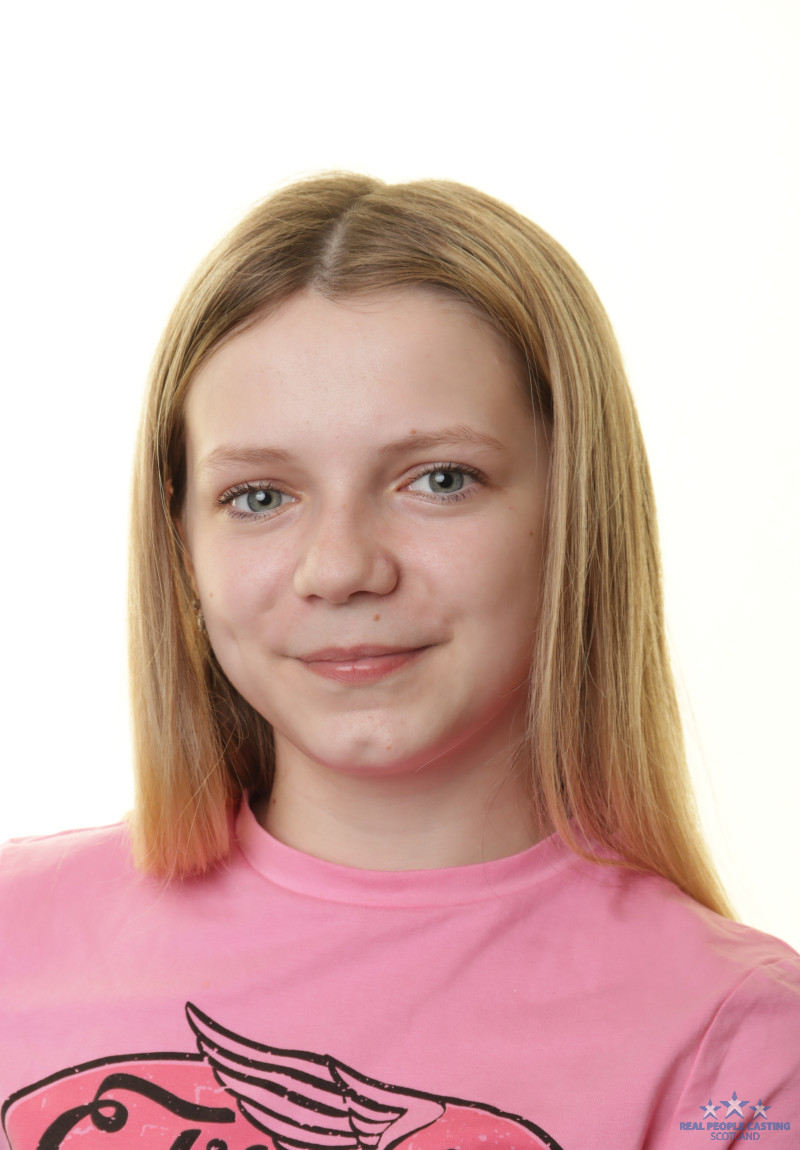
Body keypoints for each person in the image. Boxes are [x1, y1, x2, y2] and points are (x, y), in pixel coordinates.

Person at [0, 174, 797, 1150]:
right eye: (259, 496)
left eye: (439, 480)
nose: (340, 568)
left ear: (576, 511)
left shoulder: (738, 1054)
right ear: (181, 543)